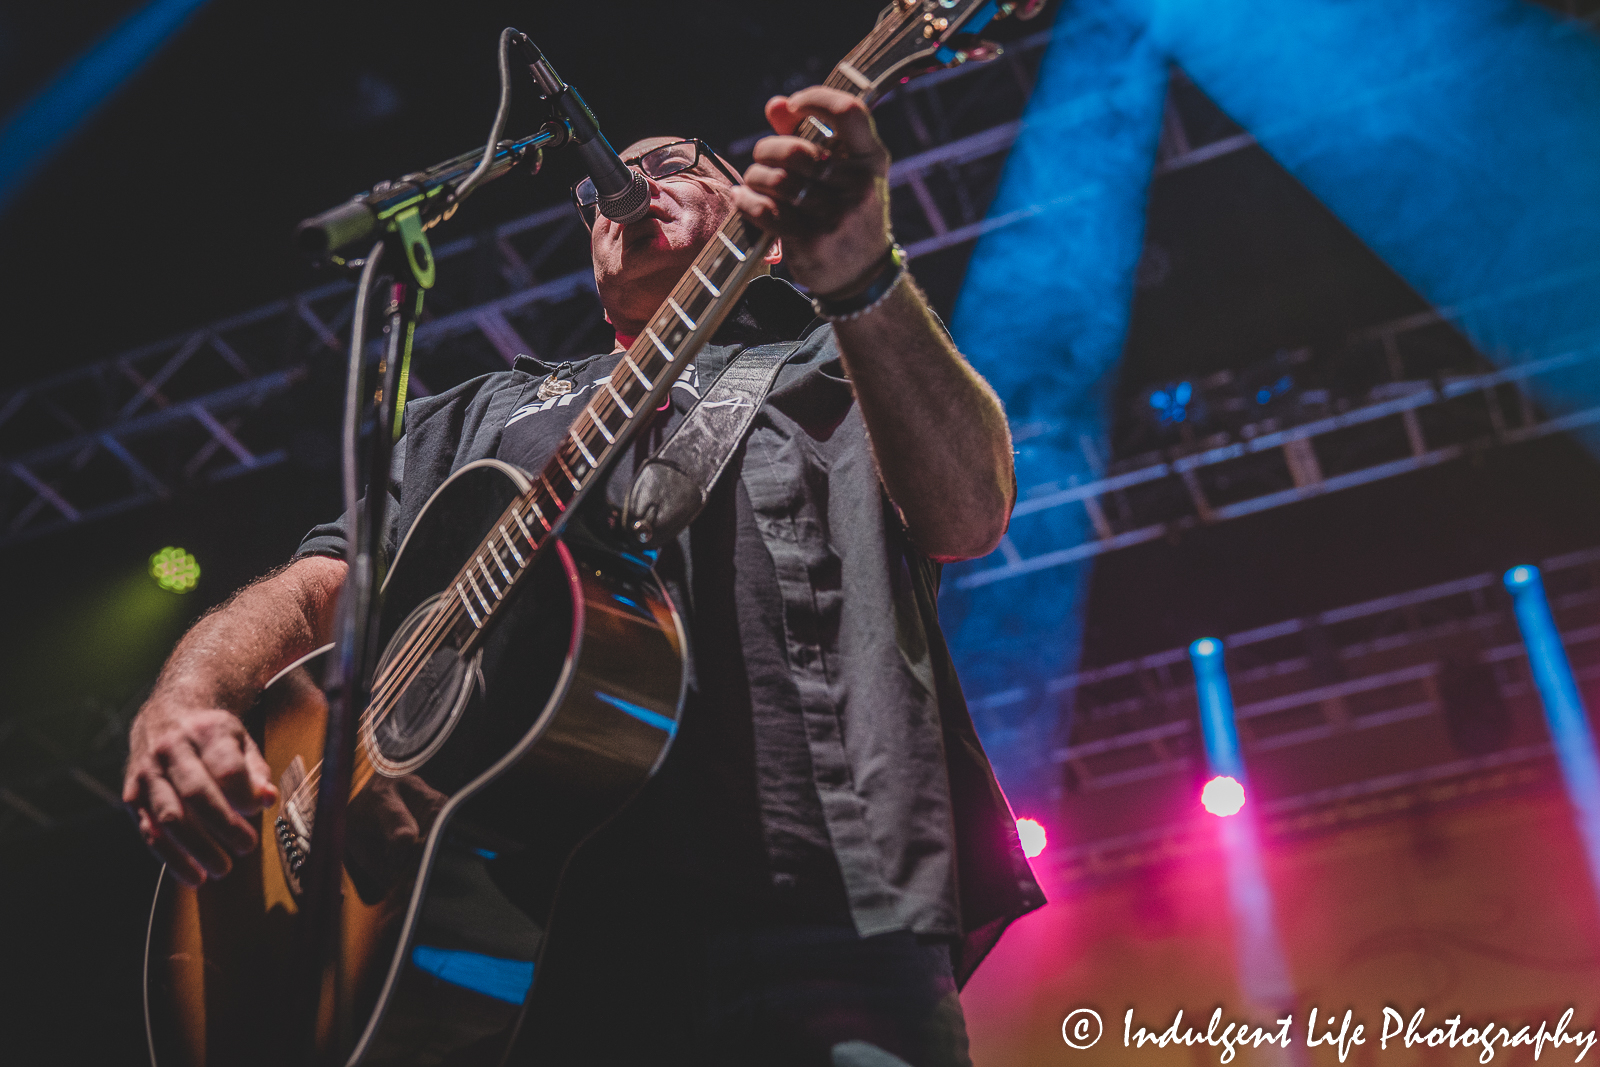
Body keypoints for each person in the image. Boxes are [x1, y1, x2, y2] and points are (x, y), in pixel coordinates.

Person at [122, 87, 1044, 1066]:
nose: (631, 187)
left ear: (763, 229)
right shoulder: (482, 413)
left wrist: (863, 277)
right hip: (529, 956)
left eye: (678, 162)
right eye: (606, 188)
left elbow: (968, 514)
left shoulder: (837, 360)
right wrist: (191, 694)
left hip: (822, 922)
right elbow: (319, 586)